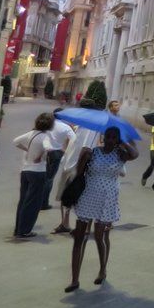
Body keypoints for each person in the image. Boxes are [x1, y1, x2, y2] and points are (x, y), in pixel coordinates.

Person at [66, 127, 138, 292]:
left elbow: (135, 154)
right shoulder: (93, 152)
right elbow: (79, 173)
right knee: (79, 238)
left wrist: (123, 142)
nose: (110, 140)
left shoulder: (121, 154)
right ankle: (74, 280)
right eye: (108, 136)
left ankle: (102, 269)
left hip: (107, 199)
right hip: (88, 197)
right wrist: (83, 157)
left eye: (114, 137)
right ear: (103, 137)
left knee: (100, 237)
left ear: (117, 139)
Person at [53, 98, 100, 234]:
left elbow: (86, 149)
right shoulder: (80, 124)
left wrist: (80, 170)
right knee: (65, 195)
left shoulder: (91, 127)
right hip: (69, 164)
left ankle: (84, 226)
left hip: (78, 167)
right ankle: (65, 223)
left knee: (81, 197)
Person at [13, 112, 55, 238]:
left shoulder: (31, 134)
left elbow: (15, 141)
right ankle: (25, 230)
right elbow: (48, 148)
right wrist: (40, 156)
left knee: (23, 200)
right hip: (38, 172)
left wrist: (27, 149)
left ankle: (18, 228)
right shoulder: (45, 136)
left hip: (25, 170)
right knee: (33, 202)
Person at [43, 108, 75, 210]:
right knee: (49, 178)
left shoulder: (46, 124)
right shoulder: (66, 127)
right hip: (56, 153)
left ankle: (37, 199)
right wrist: (65, 150)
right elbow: (74, 139)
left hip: (43, 151)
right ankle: (43, 202)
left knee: (42, 176)